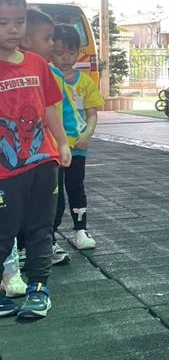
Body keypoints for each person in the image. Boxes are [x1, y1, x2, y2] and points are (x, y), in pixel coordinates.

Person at [0, 0, 71, 319]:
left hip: (43, 162)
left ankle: (39, 289)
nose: (13, 29)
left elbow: (51, 107)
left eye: (19, 21)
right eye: (3, 23)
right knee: (4, 230)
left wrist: (62, 142)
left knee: (41, 228)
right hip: (5, 170)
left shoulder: (37, 64)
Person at [19, 9, 73, 265]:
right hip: (16, 155)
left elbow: (51, 108)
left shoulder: (44, 68)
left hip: (44, 152)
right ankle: (20, 249)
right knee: (17, 205)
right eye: (47, 38)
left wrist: (62, 142)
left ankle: (45, 243)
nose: (53, 44)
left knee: (51, 202)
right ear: (26, 40)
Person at [49, 24, 105, 251]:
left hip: (78, 146)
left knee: (75, 187)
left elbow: (92, 114)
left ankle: (80, 229)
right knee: (54, 192)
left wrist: (87, 135)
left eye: (71, 52)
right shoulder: (47, 76)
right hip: (52, 146)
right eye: (59, 53)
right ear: (50, 51)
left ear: (79, 52)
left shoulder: (85, 82)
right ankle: (50, 236)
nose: (65, 58)